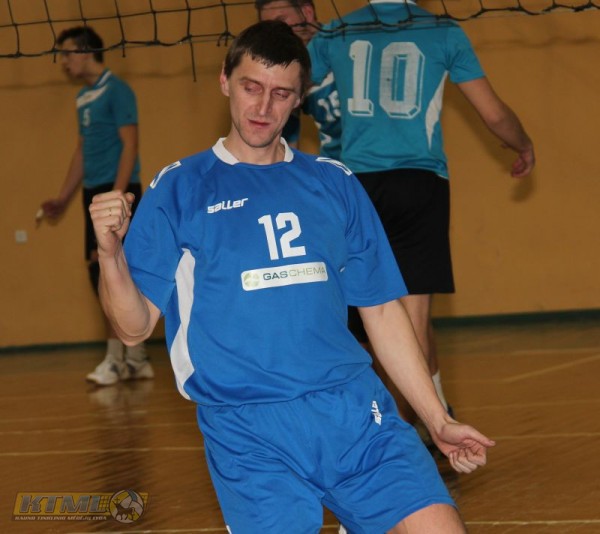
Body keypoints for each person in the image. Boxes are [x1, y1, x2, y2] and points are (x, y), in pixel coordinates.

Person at [90, 20, 495, 533]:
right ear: (225, 81)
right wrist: (110, 255)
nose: (263, 107)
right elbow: (132, 328)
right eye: (251, 87)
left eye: (281, 94)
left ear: (300, 99)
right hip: (248, 431)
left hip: (354, 413)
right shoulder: (179, 188)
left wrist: (437, 419)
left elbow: (382, 311)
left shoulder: (334, 182)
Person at [308, 0, 535, 420]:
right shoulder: (443, 31)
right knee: (414, 318)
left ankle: (411, 423)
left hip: (357, 186)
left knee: (366, 311)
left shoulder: (335, 32)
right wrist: (523, 144)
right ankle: (420, 427)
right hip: (420, 183)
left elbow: (289, 89)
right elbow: (493, 114)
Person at [39, 26, 153, 386]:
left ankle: (118, 359)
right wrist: (63, 197)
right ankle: (135, 358)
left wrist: (117, 198)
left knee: (111, 271)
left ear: (86, 51)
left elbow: (130, 145)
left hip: (116, 191)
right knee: (100, 272)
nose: (64, 61)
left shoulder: (117, 90)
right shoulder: (83, 98)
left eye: (67, 53)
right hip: (93, 192)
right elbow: (82, 151)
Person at [256, 0, 342, 159]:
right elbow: (286, 145)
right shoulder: (285, 71)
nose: (275, 33)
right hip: (336, 165)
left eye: (281, 21)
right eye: (268, 27)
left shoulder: (345, 40)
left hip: (377, 161)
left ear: (307, 13)